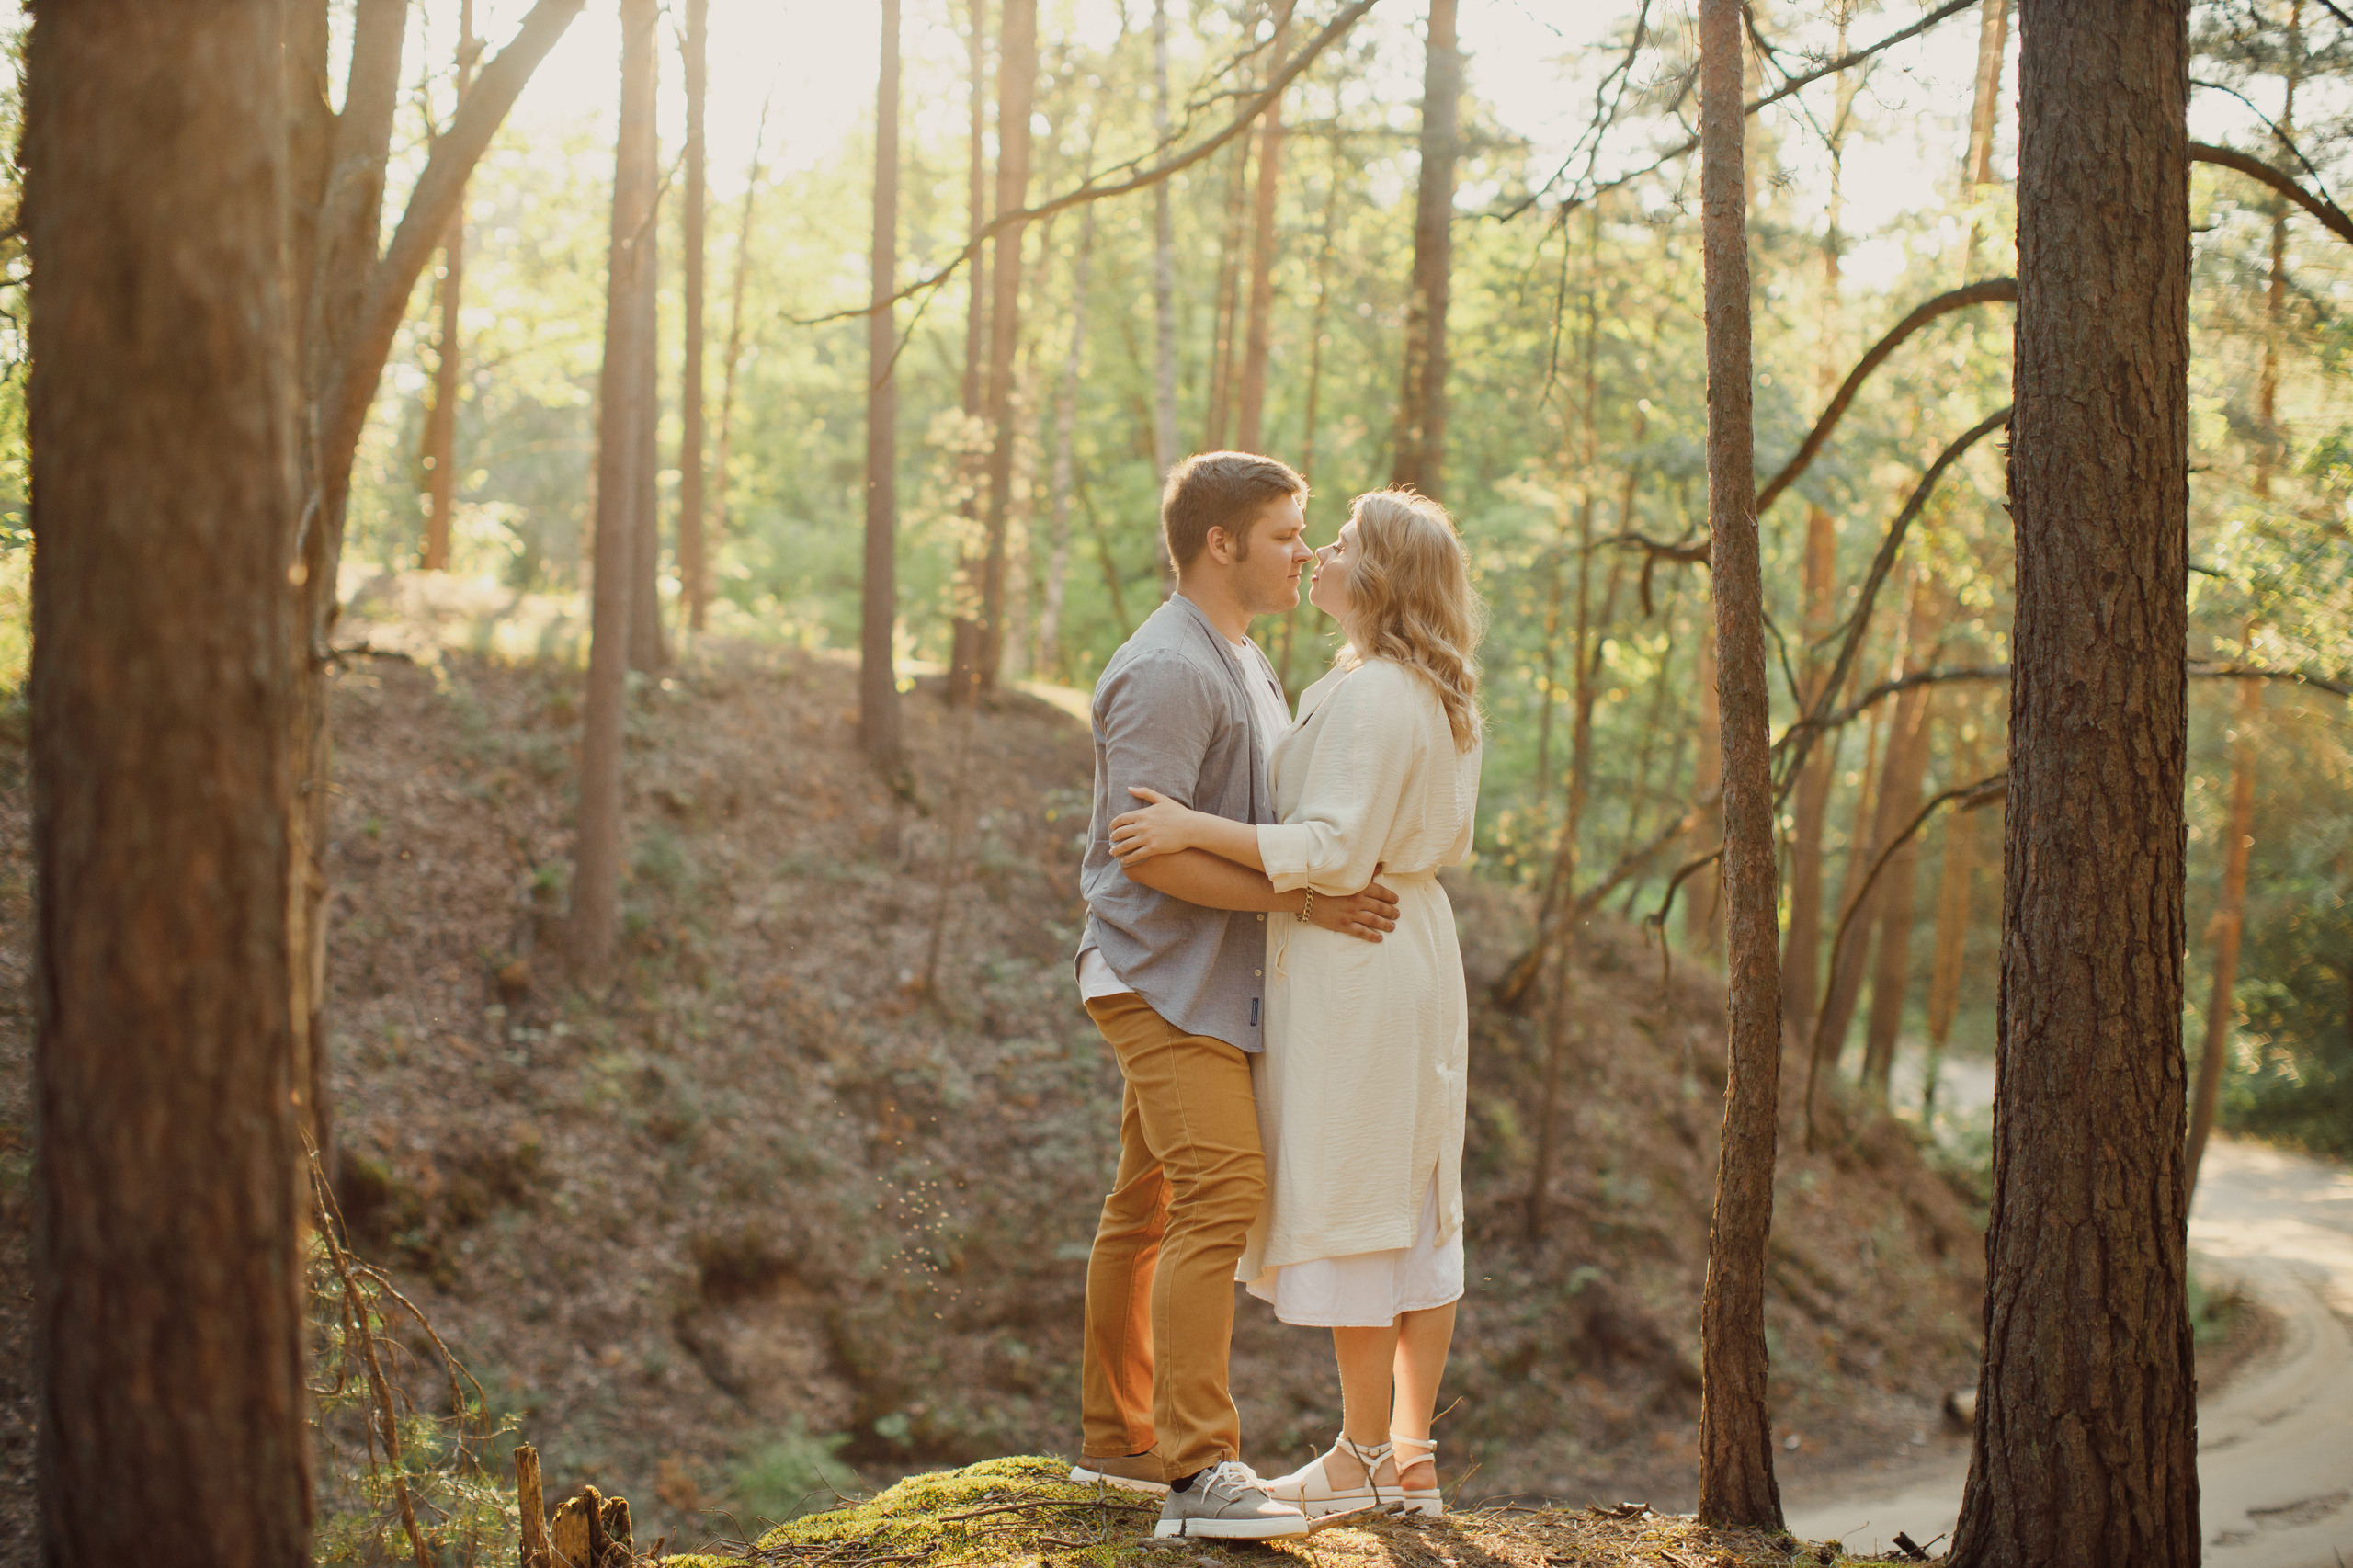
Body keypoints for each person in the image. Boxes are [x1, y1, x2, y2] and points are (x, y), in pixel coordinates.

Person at [1108, 488, 1485, 1520]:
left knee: (1363, 1195)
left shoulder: (1371, 692)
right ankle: (1409, 1454)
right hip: (1408, 943)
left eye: (1344, 541)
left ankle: (1364, 1453)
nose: (1319, 550)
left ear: (1378, 578)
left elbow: (1328, 849)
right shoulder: (1438, 688)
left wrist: (1193, 826)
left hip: (1353, 952)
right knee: (1415, 1197)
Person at [1069, 451, 1403, 1540]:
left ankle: (1118, 1445)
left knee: (1148, 1205)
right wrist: (1303, 907)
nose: (1303, 552)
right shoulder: (1169, 668)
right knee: (1220, 1192)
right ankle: (1198, 1472)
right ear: (1221, 543)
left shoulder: (1242, 657)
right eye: (1284, 533)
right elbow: (1145, 855)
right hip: (1158, 973)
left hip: (1204, 978)